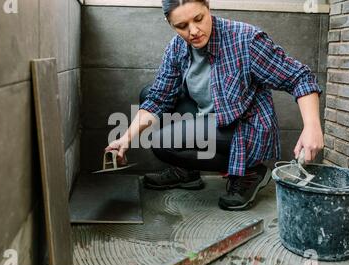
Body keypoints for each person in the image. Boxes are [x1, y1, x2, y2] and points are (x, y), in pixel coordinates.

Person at [105, 0, 324, 211]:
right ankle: (187, 172)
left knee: (162, 142)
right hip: (209, 120)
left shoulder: (245, 39)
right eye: (182, 26)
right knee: (149, 94)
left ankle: (250, 172)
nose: (193, 31)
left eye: (198, 19)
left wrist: (312, 126)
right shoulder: (177, 48)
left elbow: (299, 78)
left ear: (208, 6)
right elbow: (158, 99)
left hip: (244, 127)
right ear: (170, 24)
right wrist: (126, 138)